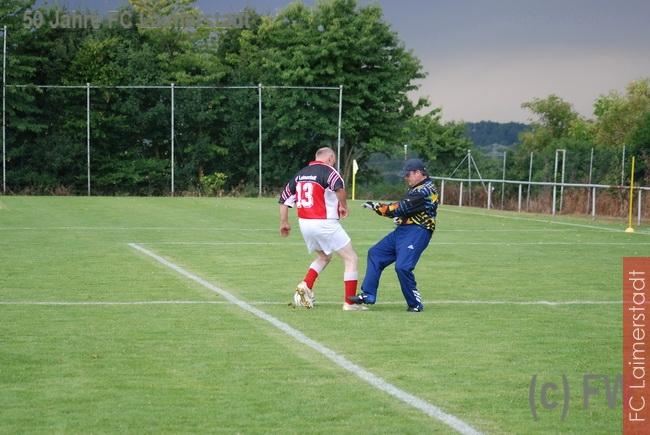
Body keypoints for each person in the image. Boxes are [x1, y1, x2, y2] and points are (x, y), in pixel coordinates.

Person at [279, 147, 366, 311]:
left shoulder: (300, 174)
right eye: (334, 160)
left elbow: (284, 198)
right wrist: (343, 206)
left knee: (324, 257)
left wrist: (284, 222)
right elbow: (339, 187)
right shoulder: (329, 171)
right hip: (324, 222)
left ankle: (305, 285)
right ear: (330, 158)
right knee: (351, 258)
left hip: (305, 223)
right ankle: (350, 303)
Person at [348, 158, 438, 312]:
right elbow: (408, 210)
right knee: (376, 253)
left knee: (403, 267)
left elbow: (400, 208)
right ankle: (368, 295)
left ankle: (415, 304)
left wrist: (377, 207)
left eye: (408, 175)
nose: (406, 178)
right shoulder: (417, 187)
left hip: (418, 232)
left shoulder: (424, 190)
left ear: (418, 173)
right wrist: (400, 217)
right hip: (403, 230)